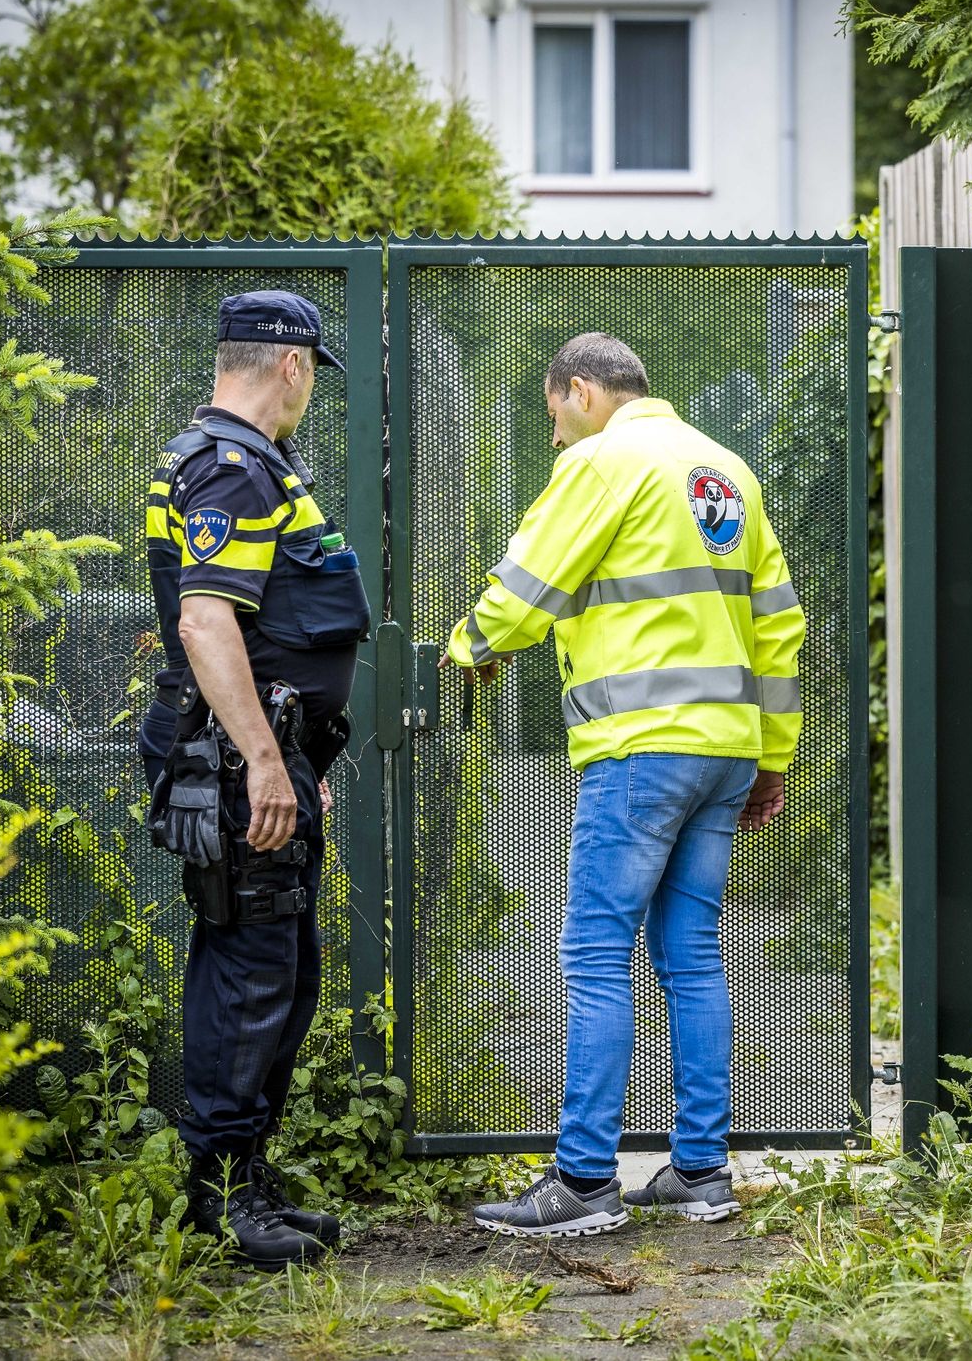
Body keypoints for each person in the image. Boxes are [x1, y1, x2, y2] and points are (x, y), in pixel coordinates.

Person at [451, 333, 805, 1239]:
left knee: (596, 952)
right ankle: (700, 1171)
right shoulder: (727, 472)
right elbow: (778, 626)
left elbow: (530, 582)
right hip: (726, 751)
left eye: (554, 416)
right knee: (692, 953)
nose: (555, 438)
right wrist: (771, 755)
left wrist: (470, 645)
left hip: (641, 747)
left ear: (581, 391)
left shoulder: (604, 460)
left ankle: (581, 1182)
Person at [139, 290, 371, 1269]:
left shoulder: (237, 460)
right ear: (292, 365)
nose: (311, 387)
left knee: (279, 970)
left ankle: (247, 1178)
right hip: (238, 759)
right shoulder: (232, 470)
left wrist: (295, 759)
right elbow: (205, 623)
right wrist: (268, 762)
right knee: (251, 975)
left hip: (260, 753)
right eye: (313, 372)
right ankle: (222, 1196)